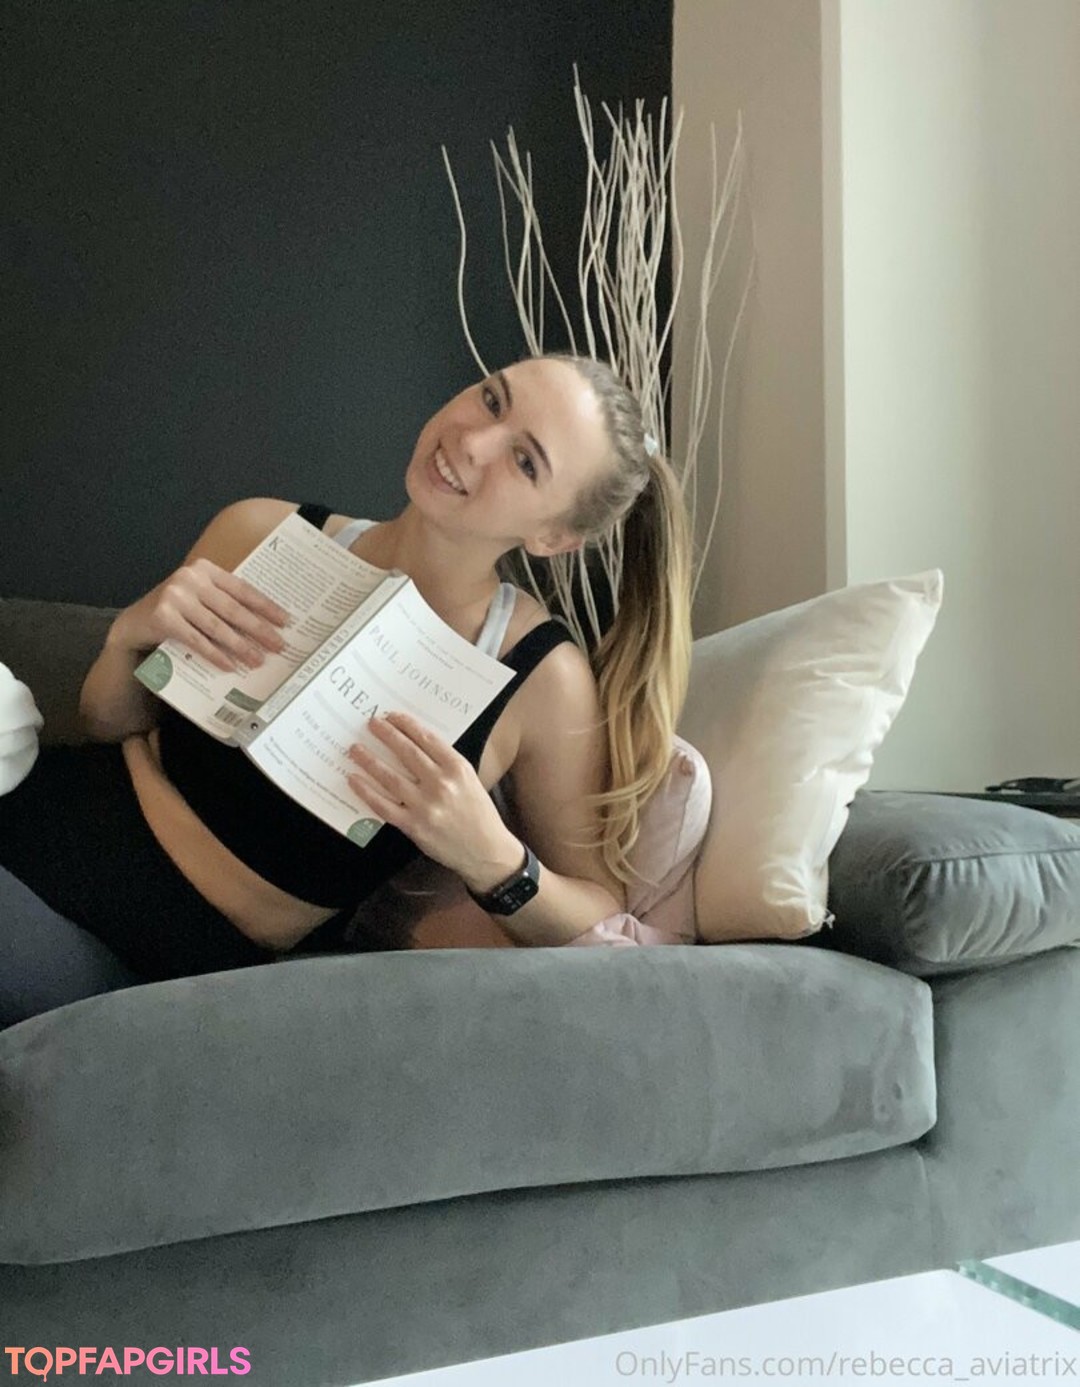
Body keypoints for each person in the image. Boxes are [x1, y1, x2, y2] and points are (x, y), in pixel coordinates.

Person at [0, 353, 693, 1029]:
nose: (473, 441)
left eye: (525, 460)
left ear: (554, 536)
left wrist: (491, 856)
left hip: (155, 950)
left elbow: (599, 909)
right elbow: (106, 723)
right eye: (492, 399)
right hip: (41, 812)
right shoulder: (260, 528)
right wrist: (130, 637)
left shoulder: (540, 677)